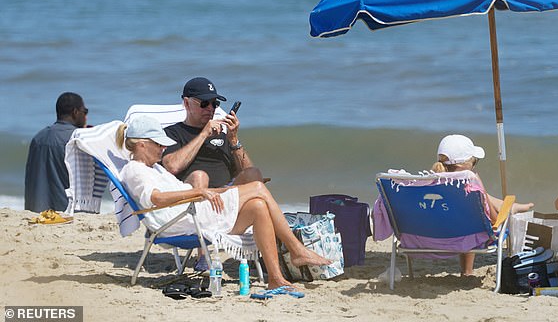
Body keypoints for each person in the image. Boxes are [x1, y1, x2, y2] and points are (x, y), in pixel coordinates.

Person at [117, 115, 330, 290]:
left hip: (194, 212)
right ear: (142, 144)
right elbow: (157, 199)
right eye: (159, 144)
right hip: (183, 220)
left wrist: (220, 191)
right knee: (257, 188)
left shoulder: (154, 168)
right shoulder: (134, 170)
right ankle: (296, 250)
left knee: (258, 205)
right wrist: (199, 192)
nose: (163, 148)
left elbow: (179, 193)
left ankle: (275, 278)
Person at [431, 134, 533, 275]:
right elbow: (494, 219)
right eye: (474, 163)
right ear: (464, 165)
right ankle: (508, 207)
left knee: (466, 215)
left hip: (431, 237)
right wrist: (480, 185)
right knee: (470, 220)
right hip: (462, 238)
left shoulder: (429, 184)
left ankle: (509, 206)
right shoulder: (472, 187)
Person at [162, 77, 264, 188]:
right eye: (204, 103)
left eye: (214, 103)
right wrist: (203, 134)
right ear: (187, 103)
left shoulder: (223, 136)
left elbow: (247, 174)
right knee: (199, 177)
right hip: (196, 196)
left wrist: (234, 140)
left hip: (227, 193)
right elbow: (172, 167)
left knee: (253, 173)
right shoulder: (172, 133)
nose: (210, 108)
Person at [24, 92, 88, 212]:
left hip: (35, 211)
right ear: (75, 112)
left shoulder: (38, 138)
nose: (86, 117)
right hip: (64, 212)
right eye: (85, 112)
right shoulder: (76, 139)